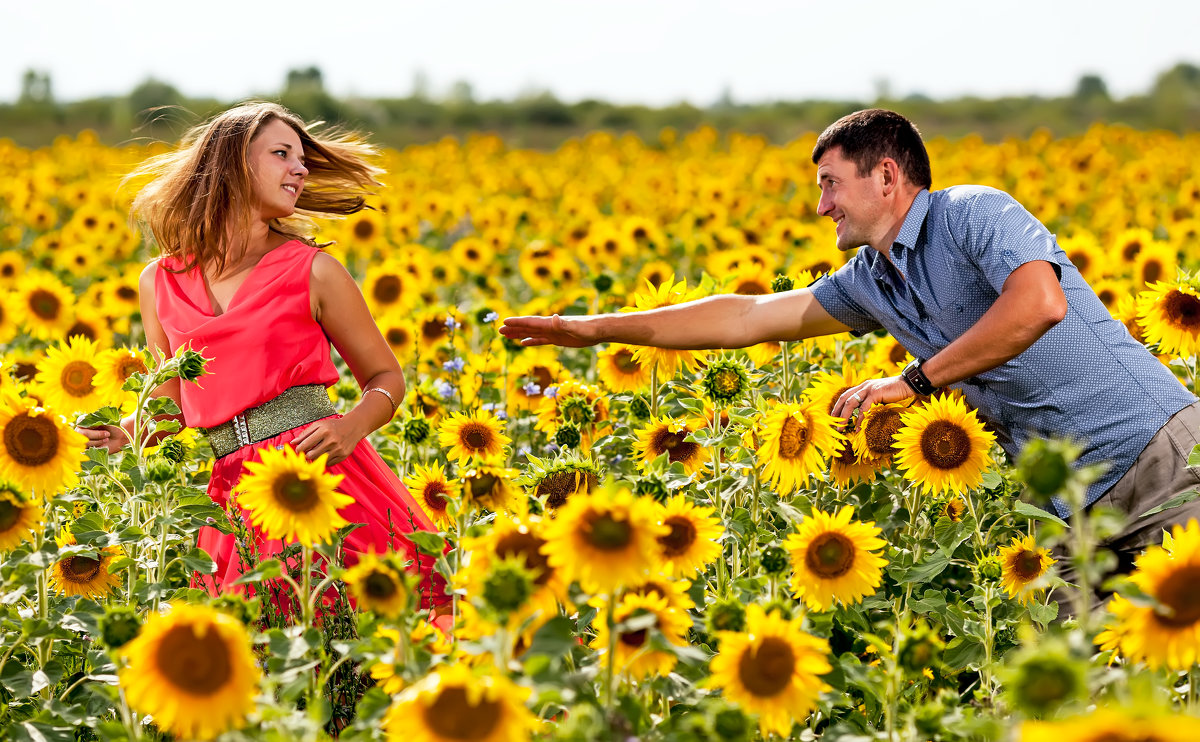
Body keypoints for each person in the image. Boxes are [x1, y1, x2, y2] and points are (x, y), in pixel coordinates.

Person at [500, 108, 1200, 575]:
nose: (820, 205)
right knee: (1081, 672)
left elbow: (1038, 305)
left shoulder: (973, 213)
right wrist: (591, 329)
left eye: (831, 183)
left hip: (1160, 456)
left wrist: (915, 381)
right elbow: (746, 318)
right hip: (1074, 502)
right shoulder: (875, 279)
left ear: (887, 176)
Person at [76, 102, 449, 619]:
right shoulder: (157, 282)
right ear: (232, 163)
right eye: (281, 154)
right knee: (256, 659)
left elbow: (387, 377)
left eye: (302, 158)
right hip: (232, 499)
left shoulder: (314, 270)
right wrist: (126, 431)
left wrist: (350, 429)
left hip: (322, 477)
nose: (300, 169)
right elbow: (170, 405)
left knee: (366, 643)